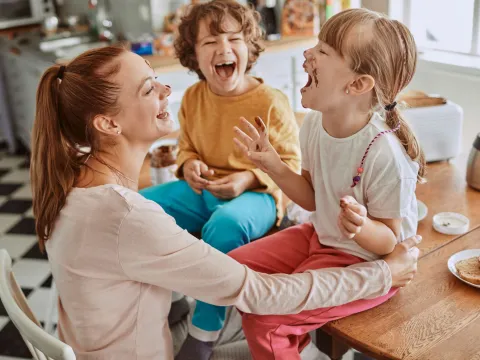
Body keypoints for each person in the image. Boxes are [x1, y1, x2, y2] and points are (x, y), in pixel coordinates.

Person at [30, 45, 421, 360]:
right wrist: (385, 274)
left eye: (156, 78)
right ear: (109, 124)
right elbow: (262, 294)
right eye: (149, 89)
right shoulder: (127, 217)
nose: (166, 90)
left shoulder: (72, 179)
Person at [232, 8, 426, 360]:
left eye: (323, 51)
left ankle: (287, 341)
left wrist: (361, 226)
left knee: (265, 318)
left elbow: (387, 243)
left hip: (362, 261)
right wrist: (273, 165)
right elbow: (311, 198)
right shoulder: (313, 125)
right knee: (232, 270)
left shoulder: (384, 153)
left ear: (357, 85)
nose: (308, 54)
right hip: (319, 235)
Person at [139, 1, 301, 356]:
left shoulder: (271, 101)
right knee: (141, 208)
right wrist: (189, 165)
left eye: (234, 39)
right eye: (210, 42)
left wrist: (246, 179)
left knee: (224, 225)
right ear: (193, 55)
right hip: (202, 190)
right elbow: (186, 147)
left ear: (249, 47)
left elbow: (290, 164)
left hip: (257, 196)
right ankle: (174, 295)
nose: (224, 49)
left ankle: (204, 330)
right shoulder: (193, 97)